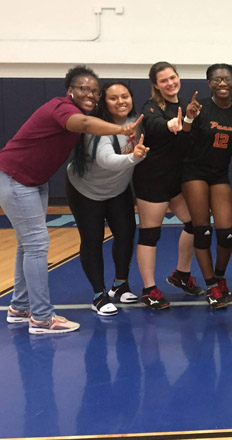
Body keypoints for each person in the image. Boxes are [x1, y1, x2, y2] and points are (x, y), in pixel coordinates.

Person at [0, 65, 142, 334]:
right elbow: (86, 124)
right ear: (70, 91)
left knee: (26, 245)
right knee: (37, 245)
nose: (90, 94)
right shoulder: (61, 108)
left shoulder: (82, 112)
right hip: (14, 178)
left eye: (94, 91)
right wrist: (122, 130)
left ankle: (19, 307)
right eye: (83, 89)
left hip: (33, 181)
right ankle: (42, 317)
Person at [65, 81, 148, 316]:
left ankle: (120, 285)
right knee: (92, 239)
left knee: (126, 234)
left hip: (118, 189)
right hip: (86, 190)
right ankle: (98, 294)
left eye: (125, 96)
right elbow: (106, 160)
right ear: (104, 102)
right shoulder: (97, 128)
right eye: (113, 98)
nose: (121, 101)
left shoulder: (138, 123)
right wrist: (134, 157)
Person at [136, 61, 203, 310]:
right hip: (152, 178)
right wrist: (169, 125)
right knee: (150, 233)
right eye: (163, 80)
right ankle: (149, 289)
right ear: (156, 84)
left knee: (196, 224)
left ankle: (181, 275)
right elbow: (153, 125)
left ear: (178, 78)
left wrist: (187, 121)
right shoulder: (151, 106)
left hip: (177, 179)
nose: (170, 83)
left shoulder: (188, 105)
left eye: (172, 77)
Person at [182, 63, 232, 309]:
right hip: (194, 172)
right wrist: (188, 117)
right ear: (209, 83)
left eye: (227, 79)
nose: (222, 83)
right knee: (203, 231)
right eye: (216, 79)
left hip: (219, 174)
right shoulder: (200, 109)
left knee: (227, 233)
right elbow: (183, 135)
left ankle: (219, 277)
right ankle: (210, 284)